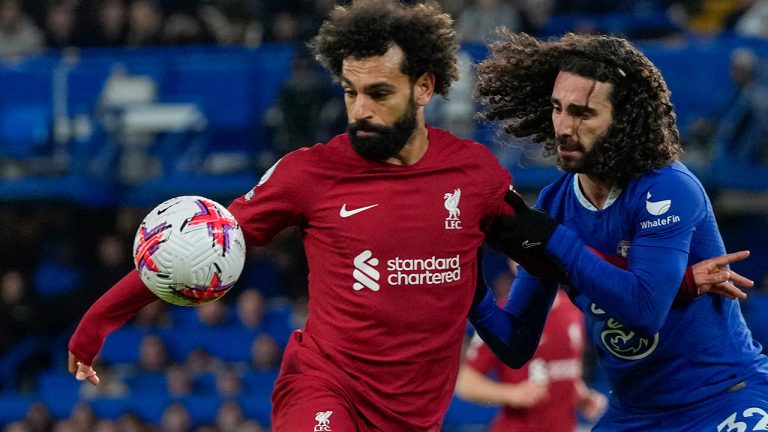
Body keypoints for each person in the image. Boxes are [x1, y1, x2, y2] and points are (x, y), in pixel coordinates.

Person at [67, 2, 751, 431]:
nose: (360, 109)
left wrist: (678, 286)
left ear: (424, 88)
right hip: (325, 385)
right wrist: (99, 319)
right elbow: (196, 244)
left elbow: (587, 290)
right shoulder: (310, 172)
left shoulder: (481, 178)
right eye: (350, 92)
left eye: (378, 93)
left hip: (417, 412)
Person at [469, 31, 768, 431]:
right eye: (558, 108)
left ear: (623, 119)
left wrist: (558, 244)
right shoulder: (555, 204)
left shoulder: (667, 188)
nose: (563, 126)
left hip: (722, 398)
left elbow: (643, 310)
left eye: (583, 112)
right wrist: (471, 287)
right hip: (634, 414)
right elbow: (516, 343)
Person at [456, 263, 606, 431]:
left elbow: (560, 369)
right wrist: (512, 394)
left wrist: (581, 394)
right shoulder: (500, 317)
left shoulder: (573, 309)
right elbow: (465, 382)